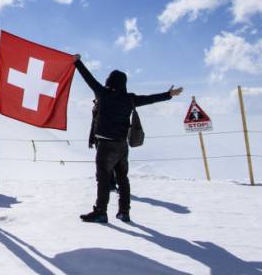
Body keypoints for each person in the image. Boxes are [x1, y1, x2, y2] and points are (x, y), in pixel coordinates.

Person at [73, 56, 183, 224]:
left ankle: (101, 212)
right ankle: (124, 212)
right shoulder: (130, 99)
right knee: (123, 178)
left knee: (103, 178)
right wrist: (169, 95)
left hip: (105, 145)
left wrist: (76, 62)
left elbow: (88, 78)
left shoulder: (103, 94)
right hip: (122, 146)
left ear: (110, 81)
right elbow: (150, 98)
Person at [90, 98, 118, 192]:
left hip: (106, 138)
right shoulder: (97, 106)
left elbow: (94, 124)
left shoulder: (104, 105)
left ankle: (111, 183)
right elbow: (93, 124)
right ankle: (109, 183)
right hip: (100, 138)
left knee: (107, 162)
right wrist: (91, 140)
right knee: (105, 162)